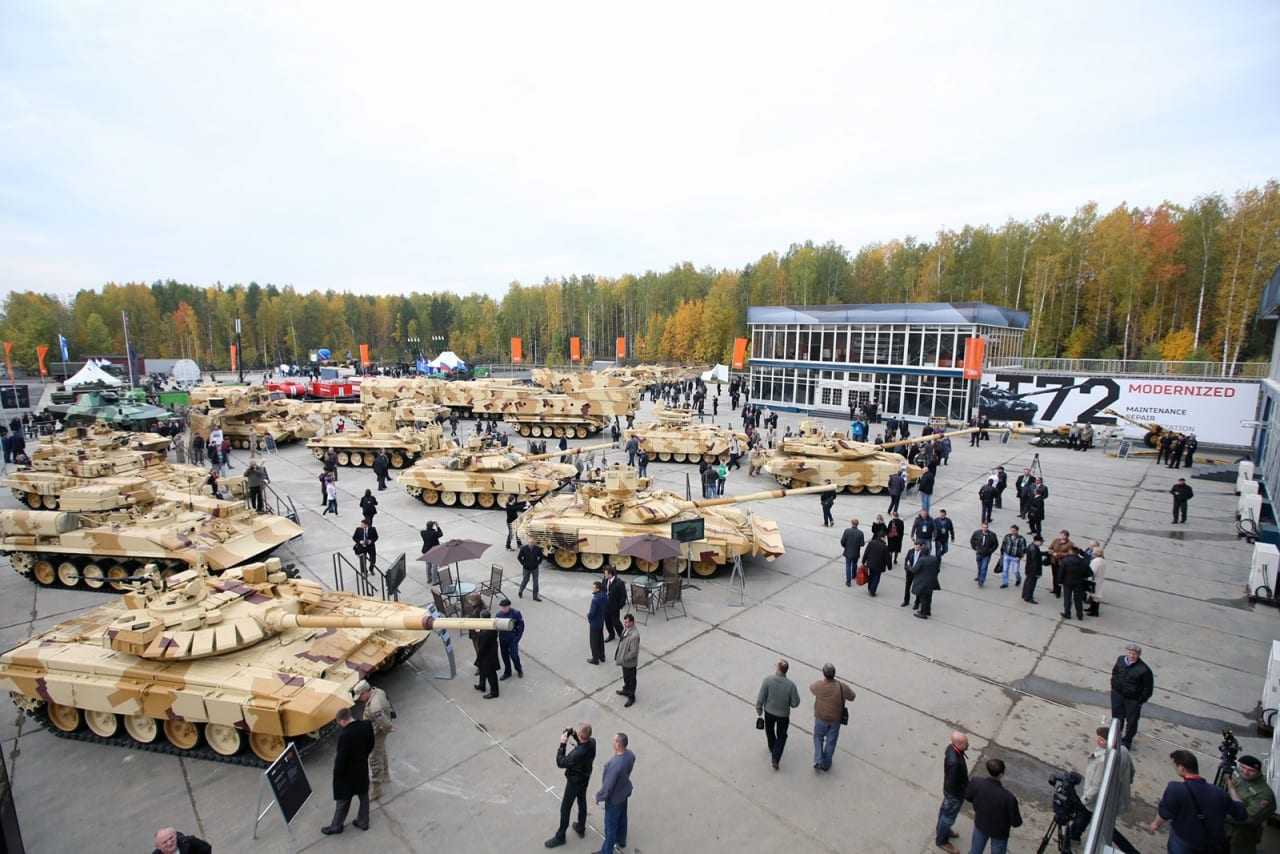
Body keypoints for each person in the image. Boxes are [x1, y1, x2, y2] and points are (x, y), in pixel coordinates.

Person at [1149, 749, 1246, 853]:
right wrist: (1231, 788)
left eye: (1175, 766)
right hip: (1210, 844)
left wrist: (1155, 824)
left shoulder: (1175, 788)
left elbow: (1164, 813)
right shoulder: (1219, 793)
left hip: (1183, 841)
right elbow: (1241, 814)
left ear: (1181, 768)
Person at [1070, 726, 1139, 854]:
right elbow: (1131, 771)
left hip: (1096, 801)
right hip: (1112, 797)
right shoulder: (1123, 750)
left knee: (1094, 821)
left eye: (1101, 739)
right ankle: (1074, 836)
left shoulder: (1102, 760)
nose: (1098, 741)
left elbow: (1096, 786)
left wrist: (1084, 799)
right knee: (1095, 822)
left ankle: (1073, 838)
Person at [321, 707, 375, 834]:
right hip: (361, 768)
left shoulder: (344, 736)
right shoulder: (366, 725)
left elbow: (341, 759)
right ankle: (363, 821)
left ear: (343, 721)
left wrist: (337, 774)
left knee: (343, 800)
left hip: (347, 774)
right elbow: (371, 743)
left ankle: (336, 826)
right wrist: (363, 756)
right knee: (364, 796)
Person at [545, 723, 597, 848]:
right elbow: (582, 742)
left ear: (580, 734)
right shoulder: (592, 742)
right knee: (582, 801)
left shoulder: (577, 754)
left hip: (574, 782)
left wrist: (562, 744)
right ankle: (580, 827)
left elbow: (560, 762)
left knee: (565, 808)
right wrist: (573, 734)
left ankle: (560, 836)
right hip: (585, 778)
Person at [965, 758, 1022, 854]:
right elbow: (1016, 822)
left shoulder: (976, 782)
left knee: (975, 850)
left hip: (981, 824)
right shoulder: (1009, 798)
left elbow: (968, 797)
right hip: (999, 832)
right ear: (1001, 774)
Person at [809, 663, 856, 772]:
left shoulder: (819, 685)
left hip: (820, 718)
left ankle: (818, 760)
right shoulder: (841, 687)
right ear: (834, 674)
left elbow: (811, 688)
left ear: (823, 674)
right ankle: (826, 764)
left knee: (818, 738)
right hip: (835, 720)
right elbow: (852, 696)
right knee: (831, 742)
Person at [1225, 754, 1277, 853]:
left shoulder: (1265, 794)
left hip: (1243, 835)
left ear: (1258, 772)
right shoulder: (1239, 773)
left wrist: (1220, 813)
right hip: (1226, 827)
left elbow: (1247, 818)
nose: (1245, 772)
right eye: (1243, 767)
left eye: (1251, 770)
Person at [756, 659, 801, 770]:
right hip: (783, 715)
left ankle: (773, 749)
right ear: (786, 670)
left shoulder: (768, 680)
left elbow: (761, 697)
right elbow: (795, 703)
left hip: (769, 712)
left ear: (778, 668)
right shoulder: (791, 685)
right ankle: (775, 757)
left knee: (769, 731)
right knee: (782, 735)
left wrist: (759, 710)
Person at [353, 680, 395, 800]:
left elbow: (382, 720)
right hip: (378, 730)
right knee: (381, 751)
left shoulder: (375, 707)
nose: (359, 699)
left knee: (374, 760)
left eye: (360, 696)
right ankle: (386, 775)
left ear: (365, 692)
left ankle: (376, 790)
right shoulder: (378, 691)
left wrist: (389, 728)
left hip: (376, 733)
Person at [596, 733, 636, 854]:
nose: (612, 742)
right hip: (624, 792)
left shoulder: (614, 765)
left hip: (614, 799)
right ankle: (621, 840)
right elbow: (631, 762)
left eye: (614, 741)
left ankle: (606, 851)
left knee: (610, 828)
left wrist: (599, 797)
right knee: (622, 817)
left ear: (618, 744)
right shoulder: (629, 755)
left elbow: (607, 786)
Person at [1111, 643, 1154, 748]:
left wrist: (1139, 701)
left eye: (1134, 654)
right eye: (1130, 653)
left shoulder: (1144, 670)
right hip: (1117, 694)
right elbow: (1115, 672)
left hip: (1133, 700)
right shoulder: (1120, 660)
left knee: (1132, 721)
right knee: (1117, 717)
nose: (1131, 655)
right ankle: (1115, 736)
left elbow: (1148, 689)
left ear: (1138, 655)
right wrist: (1114, 686)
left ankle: (1127, 741)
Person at [935, 731, 969, 854]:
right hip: (954, 794)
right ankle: (942, 841)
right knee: (948, 817)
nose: (968, 745)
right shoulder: (954, 762)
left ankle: (942, 830)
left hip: (950, 792)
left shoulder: (951, 748)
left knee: (945, 812)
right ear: (958, 744)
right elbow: (953, 782)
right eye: (966, 743)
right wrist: (962, 792)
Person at [1060, 548, 1093, 620]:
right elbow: (1090, 573)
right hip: (1079, 583)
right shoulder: (1083, 562)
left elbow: (1061, 572)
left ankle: (1067, 613)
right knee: (1078, 599)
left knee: (1067, 598)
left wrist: (1060, 581)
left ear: (1071, 552)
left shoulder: (1065, 560)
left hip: (1067, 582)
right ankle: (1080, 615)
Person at [473, 611, 500, 699]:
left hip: (488, 656)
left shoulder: (487, 631)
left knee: (491, 674)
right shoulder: (489, 624)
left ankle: (494, 692)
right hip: (487, 654)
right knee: (482, 670)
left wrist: (478, 632)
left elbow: (483, 643)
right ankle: (482, 685)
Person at [615, 614, 639, 707]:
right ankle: (625, 690)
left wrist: (624, 657)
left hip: (630, 663)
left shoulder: (634, 636)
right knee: (626, 677)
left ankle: (631, 697)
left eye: (627, 622)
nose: (625, 624)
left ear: (632, 622)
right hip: (624, 662)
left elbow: (633, 652)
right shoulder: (626, 629)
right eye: (624, 622)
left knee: (631, 680)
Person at [497, 598, 524, 680]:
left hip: (512, 639)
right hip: (503, 639)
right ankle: (507, 672)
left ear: (509, 606)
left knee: (514, 656)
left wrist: (517, 638)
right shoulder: (498, 615)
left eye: (505, 607)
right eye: (502, 607)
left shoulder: (516, 613)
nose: (503, 609)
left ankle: (519, 669)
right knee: (505, 656)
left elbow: (521, 627)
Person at [911, 547, 942, 619]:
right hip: (932, 581)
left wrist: (909, 567)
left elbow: (914, 570)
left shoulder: (922, 560)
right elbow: (938, 569)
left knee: (923, 598)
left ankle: (923, 613)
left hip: (923, 582)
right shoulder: (934, 559)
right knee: (929, 597)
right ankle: (927, 611)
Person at [970, 522, 998, 587]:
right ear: (981, 527)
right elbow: (972, 540)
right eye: (983, 527)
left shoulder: (992, 535)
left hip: (987, 555)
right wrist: (975, 548)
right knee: (979, 567)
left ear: (988, 528)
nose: (985, 529)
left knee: (984, 568)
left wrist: (990, 551)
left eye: (986, 527)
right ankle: (979, 576)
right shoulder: (976, 533)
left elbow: (996, 544)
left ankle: (981, 581)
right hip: (979, 553)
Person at [862, 531, 889, 596]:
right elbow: (887, 558)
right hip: (879, 566)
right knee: (876, 578)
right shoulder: (884, 546)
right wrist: (889, 566)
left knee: (871, 576)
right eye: (885, 537)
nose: (885, 538)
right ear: (882, 537)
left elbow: (866, 552)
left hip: (870, 564)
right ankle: (872, 591)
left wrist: (863, 560)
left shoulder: (871, 543)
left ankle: (869, 588)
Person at [998, 525, 1026, 589]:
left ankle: (1018, 579)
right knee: (1005, 570)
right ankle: (1005, 583)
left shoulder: (1021, 539)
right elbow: (1003, 545)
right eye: (1011, 530)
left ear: (1017, 531)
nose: (1012, 532)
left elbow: (1023, 549)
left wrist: (1020, 557)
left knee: (1015, 571)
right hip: (1007, 555)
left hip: (1015, 557)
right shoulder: (1007, 536)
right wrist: (1002, 554)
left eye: (1014, 531)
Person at [840, 518, 865, 587]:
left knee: (848, 566)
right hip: (856, 552)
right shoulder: (860, 533)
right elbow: (862, 544)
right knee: (854, 564)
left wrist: (845, 546)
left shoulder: (847, 531)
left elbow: (842, 541)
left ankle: (848, 582)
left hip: (848, 552)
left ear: (852, 523)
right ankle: (854, 575)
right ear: (857, 524)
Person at [1048, 530, 1075, 597]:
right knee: (1054, 576)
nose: (1061, 536)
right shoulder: (1056, 540)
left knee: (1059, 577)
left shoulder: (1070, 544)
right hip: (1054, 561)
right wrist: (1051, 552)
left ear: (1066, 536)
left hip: (1062, 563)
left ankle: (1058, 592)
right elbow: (1050, 548)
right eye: (1060, 534)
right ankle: (1054, 589)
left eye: (1062, 535)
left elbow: (1069, 553)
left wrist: (1058, 554)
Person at [587, 580, 607, 664]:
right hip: (601, 621)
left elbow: (592, 613)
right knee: (600, 639)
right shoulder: (605, 595)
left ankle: (595, 659)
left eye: (594, 587)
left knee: (593, 642)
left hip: (595, 623)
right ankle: (602, 656)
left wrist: (588, 617)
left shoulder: (595, 599)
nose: (592, 589)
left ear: (598, 589)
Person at [1022, 535, 1045, 603]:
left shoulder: (1031, 546)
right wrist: (1037, 573)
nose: (1042, 543)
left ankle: (1024, 594)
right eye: (1041, 542)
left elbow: (1038, 554)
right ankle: (1028, 598)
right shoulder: (1034, 549)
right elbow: (1035, 562)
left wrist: (1046, 553)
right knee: (1031, 584)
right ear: (1037, 541)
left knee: (1027, 582)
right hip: (1033, 570)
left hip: (1029, 569)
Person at [604, 567, 626, 641]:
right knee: (607, 622)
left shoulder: (619, 583)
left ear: (610, 574)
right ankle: (611, 635)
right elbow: (603, 589)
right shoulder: (605, 580)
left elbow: (623, 595)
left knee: (616, 622)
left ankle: (622, 635)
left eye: (605, 573)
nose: (604, 575)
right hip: (606, 606)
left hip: (614, 607)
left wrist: (619, 606)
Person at [1086, 544, 1107, 616]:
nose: (1092, 553)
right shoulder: (1102, 560)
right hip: (1099, 579)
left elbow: (1092, 571)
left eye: (1093, 552)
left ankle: (1094, 612)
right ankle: (1091, 608)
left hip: (1094, 580)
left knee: (1095, 596)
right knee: (1094, 595)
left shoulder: (1096, 561)